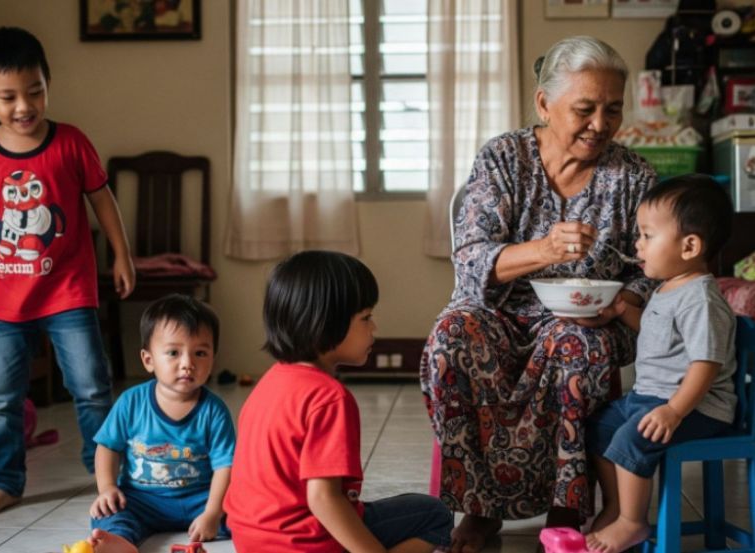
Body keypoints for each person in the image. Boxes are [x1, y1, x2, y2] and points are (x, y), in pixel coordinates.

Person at [419, 35, 658, 552]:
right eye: (585, 108)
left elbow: (651, 270)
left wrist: (622, 303)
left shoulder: (634, 177)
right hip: (497, 311)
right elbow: (471, 261)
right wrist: (545, 249)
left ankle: (567, 509)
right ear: (545, 104)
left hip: (589, 323)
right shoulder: (504, 159)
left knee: (578, 348)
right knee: (451, 340)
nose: (601, 124)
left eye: (612, 109)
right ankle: (480, 511)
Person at [0, 27, 135, 517]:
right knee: (0, 399)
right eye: (9, 96)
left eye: (35, 90)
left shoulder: (71, 143)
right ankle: (8, 483)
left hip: (69, 292)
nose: (25, 105)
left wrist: (121, 255)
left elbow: (101, 198)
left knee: (91, 388)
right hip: (5, 303)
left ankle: (107, 478)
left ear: (48, 83)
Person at [225, 250, 453, 553]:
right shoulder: (329, 397)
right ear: (325, 323)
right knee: (435, 515)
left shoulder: (268, 382)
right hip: (304, 544)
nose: (374, 328)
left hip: (250, 541)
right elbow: (322, 498)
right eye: (366, 318)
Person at [585, 175, 736, 553]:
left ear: (689, 246)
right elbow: (657, 334)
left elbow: (706, 364)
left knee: (632, 439)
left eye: (648, 235)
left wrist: (674, 410)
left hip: (697, 406)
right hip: (652, 397)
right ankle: (618, 506)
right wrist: (623, 311)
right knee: (600, 426)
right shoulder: (668, 288)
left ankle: (632, 522)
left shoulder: (700, 299)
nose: (638, 244)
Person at [85, 294, 235, 553]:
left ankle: (202, 537)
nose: (188, 363)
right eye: (174, 353)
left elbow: (225, 466)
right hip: (142, 500)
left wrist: (212, 512)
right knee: (107, 512)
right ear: (148, 360)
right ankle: (120, 543)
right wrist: (107, 488)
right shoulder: (131, 402)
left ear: (213, 358)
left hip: (200, 499)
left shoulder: (214, 411)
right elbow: (108, 447)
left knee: (246, 512)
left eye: (200, 353)